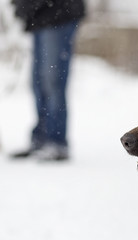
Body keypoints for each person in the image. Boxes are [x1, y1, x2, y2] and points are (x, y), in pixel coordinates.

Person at [11, 0, 85, 160]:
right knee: (38, 81)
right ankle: (42, 139)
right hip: (39, 17)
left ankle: (56, 142)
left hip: (59, 13)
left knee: (53, 80)